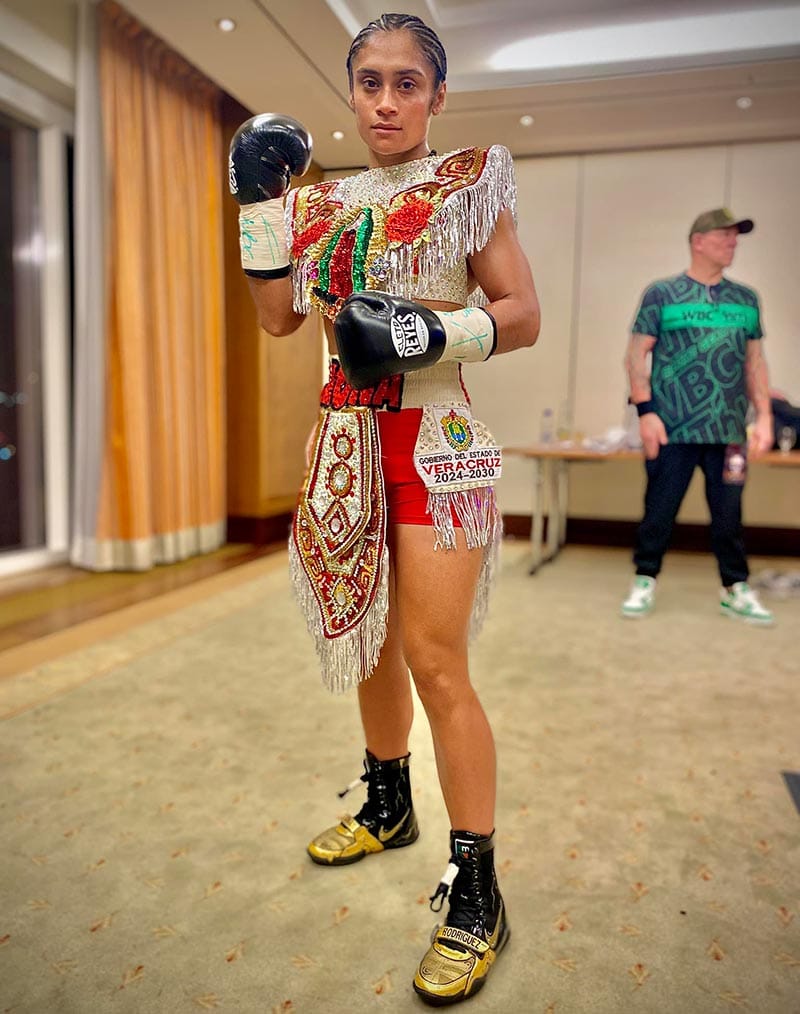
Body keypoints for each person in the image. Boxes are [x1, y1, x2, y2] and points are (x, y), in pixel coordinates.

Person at [228, 12, 540, 1006]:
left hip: (436, 444)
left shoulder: (470, 181)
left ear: (437, 96)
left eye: (408, 84)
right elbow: (278, 319)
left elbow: (522, 314)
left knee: (434, 660)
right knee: (365, 641)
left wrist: (425, 332)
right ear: (351, 91)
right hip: (343, 445)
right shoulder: (318, 201)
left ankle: (477, 891)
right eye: (370, 82)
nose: (387, 102)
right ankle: (387, 803)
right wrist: (258, 207)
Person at [622, 207, 774, 625]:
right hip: (671, 427)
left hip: (729, 431)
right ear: (698, 242)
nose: (733, 243)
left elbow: (755, 363)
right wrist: (646, 413)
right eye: (725, 236)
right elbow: (635, 356)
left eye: (736, 237)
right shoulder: (662, 294)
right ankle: (645, 577)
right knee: (659, 509)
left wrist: (764, 417)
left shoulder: (746, 299)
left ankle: (735, 587)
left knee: (729, 516)